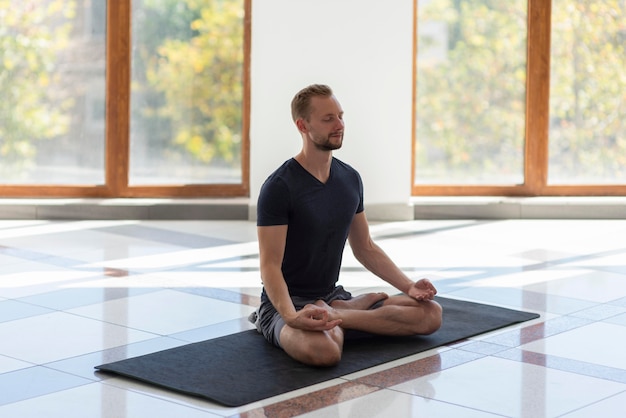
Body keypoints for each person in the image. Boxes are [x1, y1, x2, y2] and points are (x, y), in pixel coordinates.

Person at [252, 84, 442, 367]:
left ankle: (340, 315)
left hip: (331, 296)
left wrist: (409, 286)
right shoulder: (280, 187)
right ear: (302, 125)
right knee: (324, 353)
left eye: (340, 116)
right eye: (328, 119)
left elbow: (364, 247)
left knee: (431, 314)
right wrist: (292, 316)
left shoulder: (350, 179)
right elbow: (270, 265)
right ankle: (342, 316)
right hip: (285, 303)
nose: (339, 124)